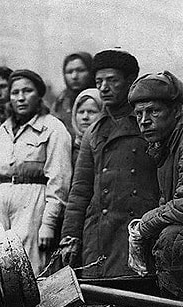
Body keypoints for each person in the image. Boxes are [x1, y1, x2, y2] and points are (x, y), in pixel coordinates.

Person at [60, 49, 159, 287]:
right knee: (99, 297)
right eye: (98, 82)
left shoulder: (146, 124)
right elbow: (80, 190)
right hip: (99, 231)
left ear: (130, 81)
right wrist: (70, 235)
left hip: (136, 227)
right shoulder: (93, 131)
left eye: (112, 80)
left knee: (136, 298)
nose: (104, 88)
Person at [0, 69, 72, 276]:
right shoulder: (4, 129)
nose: (20, 98)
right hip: (0, 203)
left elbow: (59, 180)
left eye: (27, 91)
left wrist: (48, 223)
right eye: (15, 92)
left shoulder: (53, 128)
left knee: (30, 269)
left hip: (33, 204)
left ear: (39, 95)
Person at [127, 72, 183, 297]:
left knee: (172, 238)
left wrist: (142, 227)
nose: (144, 120)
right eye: (139, 113)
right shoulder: (165, 145)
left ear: (177, 111)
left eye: (153, 111)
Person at [52, 52, 94, 137]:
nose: (74, 76)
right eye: (69, 72)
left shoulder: (101, 99)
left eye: (81, 70)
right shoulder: (60, 103)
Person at [71, 88, 103, 167]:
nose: (85, 117)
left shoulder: (107, 147)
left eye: (92, 112)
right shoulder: (68, 146)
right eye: (81, 112)